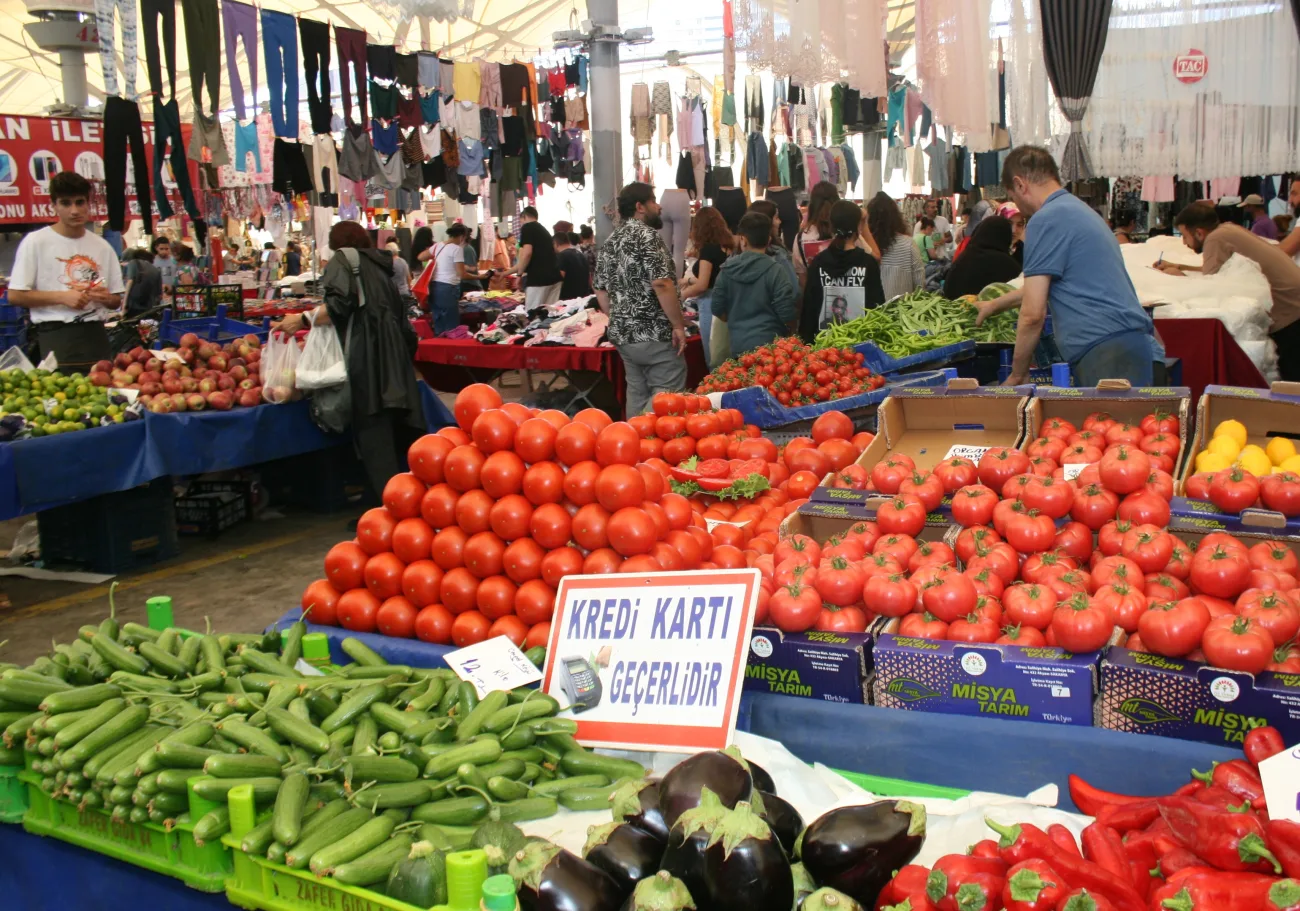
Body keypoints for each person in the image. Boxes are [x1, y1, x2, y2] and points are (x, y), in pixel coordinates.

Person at [976, 145, 1155, 386]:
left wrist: (1018, 374)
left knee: (1112, 423)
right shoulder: (1079, 210)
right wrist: (995, 305)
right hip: (1130, 345)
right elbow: (1054, 285)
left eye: (1013, 196)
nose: (1017, 204)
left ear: (1020, 184)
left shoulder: (1045, 219)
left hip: (1107, 351)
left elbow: (1032, 314)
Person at [271, 221, 423, 499]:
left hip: (367, 360)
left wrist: (302, 319)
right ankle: (399, 506)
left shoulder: (344, 260)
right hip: (394, 360)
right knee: (391, 435)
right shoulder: (382, 268)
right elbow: (404, 323)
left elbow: (340, 305)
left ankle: (390, 512)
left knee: (374, 436)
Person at [1155, 201, 1300, 382]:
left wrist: (1179, 276)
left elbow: (1212, 288)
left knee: (1293, 380)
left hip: (1287, 310)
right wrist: (1181, 267)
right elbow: (1218, 271)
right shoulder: (1227, 230)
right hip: (1293, 300)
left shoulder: (1215, 239)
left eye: (1185, 236)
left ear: (1199, 232)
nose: (1184, 243)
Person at [8, 171, 124, 371]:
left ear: (88, 204)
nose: (74, 210)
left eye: (80, 202)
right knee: (63, 395)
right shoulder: (36, 242)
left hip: (97, 335)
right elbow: (15, 295)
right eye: (66, 203)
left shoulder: (102, 246)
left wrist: (105, 298)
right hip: (56, 335)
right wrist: (62, 297)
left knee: (103, 395)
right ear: (54, 206)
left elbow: (116, 300)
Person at [593, 182, 687, 416]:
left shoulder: (611, 242)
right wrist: (677, 325)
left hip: (623, 335)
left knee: (637, 393)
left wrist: (619, 315)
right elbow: (662, 283)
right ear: (640, 207)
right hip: (654, 332)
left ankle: (632, 444)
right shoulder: (648, 237)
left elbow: (600, 290)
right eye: (653, 201)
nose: (659, 207)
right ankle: (648, 443)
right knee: (667, 394)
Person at [711, 212, 797, 360]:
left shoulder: (726, 271)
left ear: (743, 240)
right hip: (773, 349)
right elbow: (787, 314)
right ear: (769, 239)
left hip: (738, 346)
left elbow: (717, 309)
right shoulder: (776, 270)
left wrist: (734, 319)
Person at [799, 200, 884, 341]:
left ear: (831, 227)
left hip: (824, 347)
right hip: (861, 346)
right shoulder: (868, 263)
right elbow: (877, 308)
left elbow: (809, 309)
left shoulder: (819, 262)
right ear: (858, 227)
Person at [677, 206, 732, 365]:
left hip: (709, 303)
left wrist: (681, 296)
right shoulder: (727, 247)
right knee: (724, 351)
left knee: (712, 354)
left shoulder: (708, 250)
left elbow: (702, 285)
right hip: (727, 300)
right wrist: (688, 281)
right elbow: (714, 278)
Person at [419, 224, 488, 333]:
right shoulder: (456, 249)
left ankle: (439, 346)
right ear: (462, 236)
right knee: (451, 325)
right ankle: (450, 347)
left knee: (438, 321)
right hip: (448, 288)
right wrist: (480, 276)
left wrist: (437, 258)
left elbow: (421, 256)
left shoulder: (438, 246)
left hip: (434, 288)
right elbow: (462, 274)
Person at [942, 216, 1023, 300]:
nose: (1014, 230)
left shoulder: (964, 256)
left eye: (1020, 225)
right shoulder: (1008, 265)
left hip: (949, 309)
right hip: (979, 311)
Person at [867, 192, 926, 300]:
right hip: (901, 313)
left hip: (870, 314)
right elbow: (919, 284)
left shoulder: (864, 246)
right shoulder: (908, 244)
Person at [508, 206, 562, 306]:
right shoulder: (544, 230)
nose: (521, 224)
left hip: (539, 280)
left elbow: (527, 253)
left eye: (520, 221)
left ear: (524, 217)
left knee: (532, 314)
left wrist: (519, 275)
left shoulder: (527, 227)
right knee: (550, 314)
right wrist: (506, 273)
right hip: (555, 278)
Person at [746, 199, 799, 292]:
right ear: (767, 222)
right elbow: (793, 290)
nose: (780, 222)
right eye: (776, 217)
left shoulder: (735, 257)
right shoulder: (778, 255)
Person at [795, 181, 839, 288]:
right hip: (848, 298)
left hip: (816, 299)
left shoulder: (801, 237)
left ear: (812, 204)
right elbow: (874, 257)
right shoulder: (848, 232)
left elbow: (802, 278)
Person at [121, 248, 162, 316]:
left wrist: (124, 306)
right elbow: (159, 295)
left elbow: (130, 282)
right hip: (149, 309)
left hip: (133, 307)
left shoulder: (133, 262)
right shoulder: (156, 270)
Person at [554, 231, 591, 301]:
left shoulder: (561, 256)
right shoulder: (580, 254)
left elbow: (559, 278)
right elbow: (589, 278)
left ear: (555, 244)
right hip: (584, 298)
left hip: (569, 301)